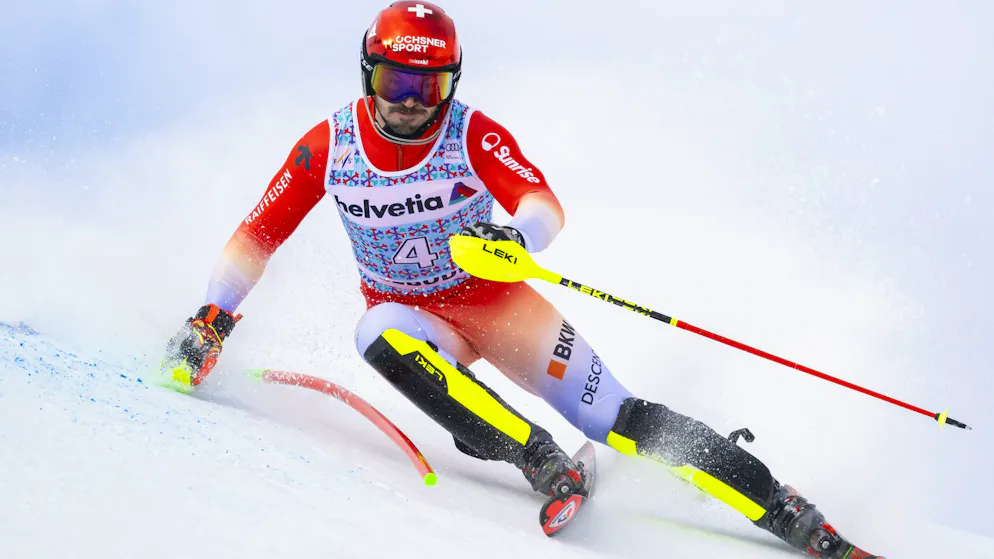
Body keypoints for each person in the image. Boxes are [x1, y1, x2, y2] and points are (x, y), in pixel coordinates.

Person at [162, 2, 880, 557]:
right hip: (417, 318)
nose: (410, 100)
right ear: (367, 73)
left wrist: (515, 236)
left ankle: (788, 512)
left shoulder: (470, 134)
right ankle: (541, 460)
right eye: (395, 80)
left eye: (428, 83)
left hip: (499, 304)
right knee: (375, 332)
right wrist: (211, 319)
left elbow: (543, 204)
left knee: (620, 420)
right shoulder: (331, 145)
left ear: (452, 83)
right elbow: (259, 234)